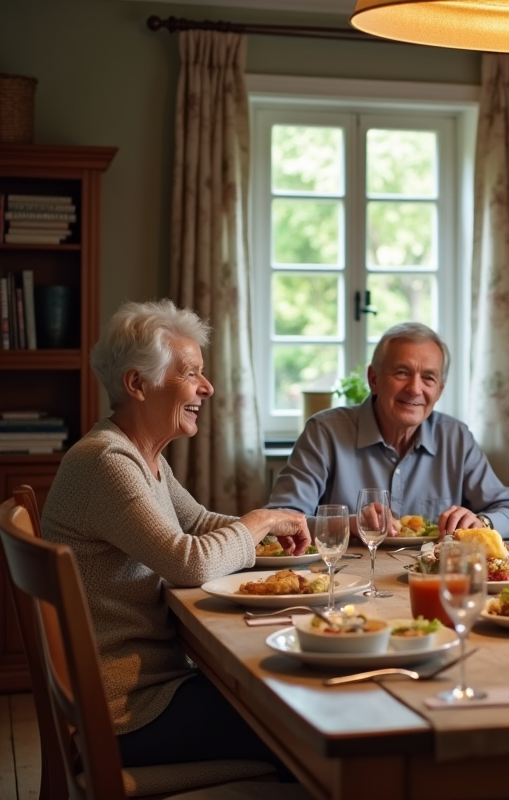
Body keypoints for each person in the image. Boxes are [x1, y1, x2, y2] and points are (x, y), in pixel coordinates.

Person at [40, 299, 309, 770]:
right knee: (297, 725)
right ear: (137, 384)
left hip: (155, 685)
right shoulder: (107, 462)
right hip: (127, 710)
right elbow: (189, 561)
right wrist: (258, 523)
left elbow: (199, 523)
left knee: (285, 695)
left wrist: (270, 527)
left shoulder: (144, 456)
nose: (207, 387)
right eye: (190, 374)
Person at [269, 322, 509, 539]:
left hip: (434, 584)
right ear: (373, 379)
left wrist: (483, 522)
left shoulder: (456, 438)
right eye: (402, 373)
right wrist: (347, 523)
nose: (415, 389)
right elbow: (277, 521)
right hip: (344, 586)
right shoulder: (324, 432)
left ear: (439, 390)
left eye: (428, 378)